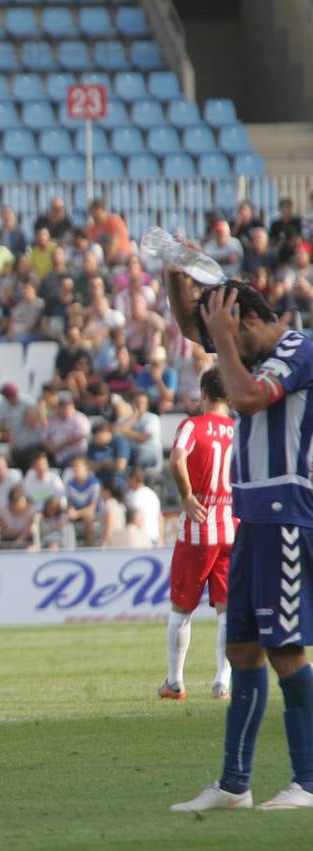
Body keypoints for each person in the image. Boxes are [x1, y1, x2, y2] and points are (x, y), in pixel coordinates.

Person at [170, 280, 313, 811]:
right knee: (242, 648)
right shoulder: (246, 349)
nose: (221, 347)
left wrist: (225, 342)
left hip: (286, 514)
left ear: (249, 321)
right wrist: (175, 272)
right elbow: (190, 328)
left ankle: (308, 781)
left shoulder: (298, 350)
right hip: (248, 516)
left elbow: (250, 399)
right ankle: (235, 785)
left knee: (285, 648)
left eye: (230, 335)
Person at [159, 368, 236, 703]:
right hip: (232, 527)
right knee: (227, 608)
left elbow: (177, 460)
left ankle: (175, 682)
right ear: (229, 396)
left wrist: (187, 496)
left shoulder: (192, 425)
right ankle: (223, 680)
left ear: (204, 392)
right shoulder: (239, 429)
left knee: (181, 608)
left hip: (198, 528)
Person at [124, 466, 162, 546]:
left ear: (133, 479)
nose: (126, 482)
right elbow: (160, 517)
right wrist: (161, 538)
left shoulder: (136, 496)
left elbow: (136, 518)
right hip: (154, 537)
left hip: (141, 539)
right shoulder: (152, 494)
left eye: (128, 479)